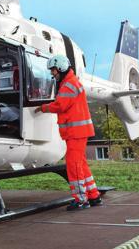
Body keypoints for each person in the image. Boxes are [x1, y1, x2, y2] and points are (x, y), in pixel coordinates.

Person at [35, 54, 102, 211]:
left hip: (75, 132)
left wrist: (43, 107)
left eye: (53, 70)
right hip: (78, 132)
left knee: (73, 166)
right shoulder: (70, 82)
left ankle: (81, 200)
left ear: (61, 68)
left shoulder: (68, 85)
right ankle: (93, 195)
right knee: (81, 164)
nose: (52, 73)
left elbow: (60, 106)